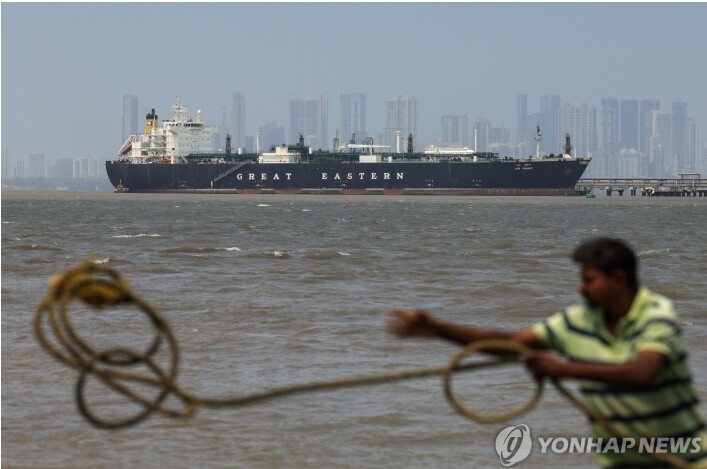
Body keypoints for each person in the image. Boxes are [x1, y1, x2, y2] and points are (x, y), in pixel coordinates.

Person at [387, 237, 706, 468]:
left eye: (589, 280)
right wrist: (438, 328)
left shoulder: (656, 314)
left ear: (618, 278)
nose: (580, 288)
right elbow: (510, 343)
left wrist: (566, 369)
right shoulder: (577, 321)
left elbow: (644, 372)